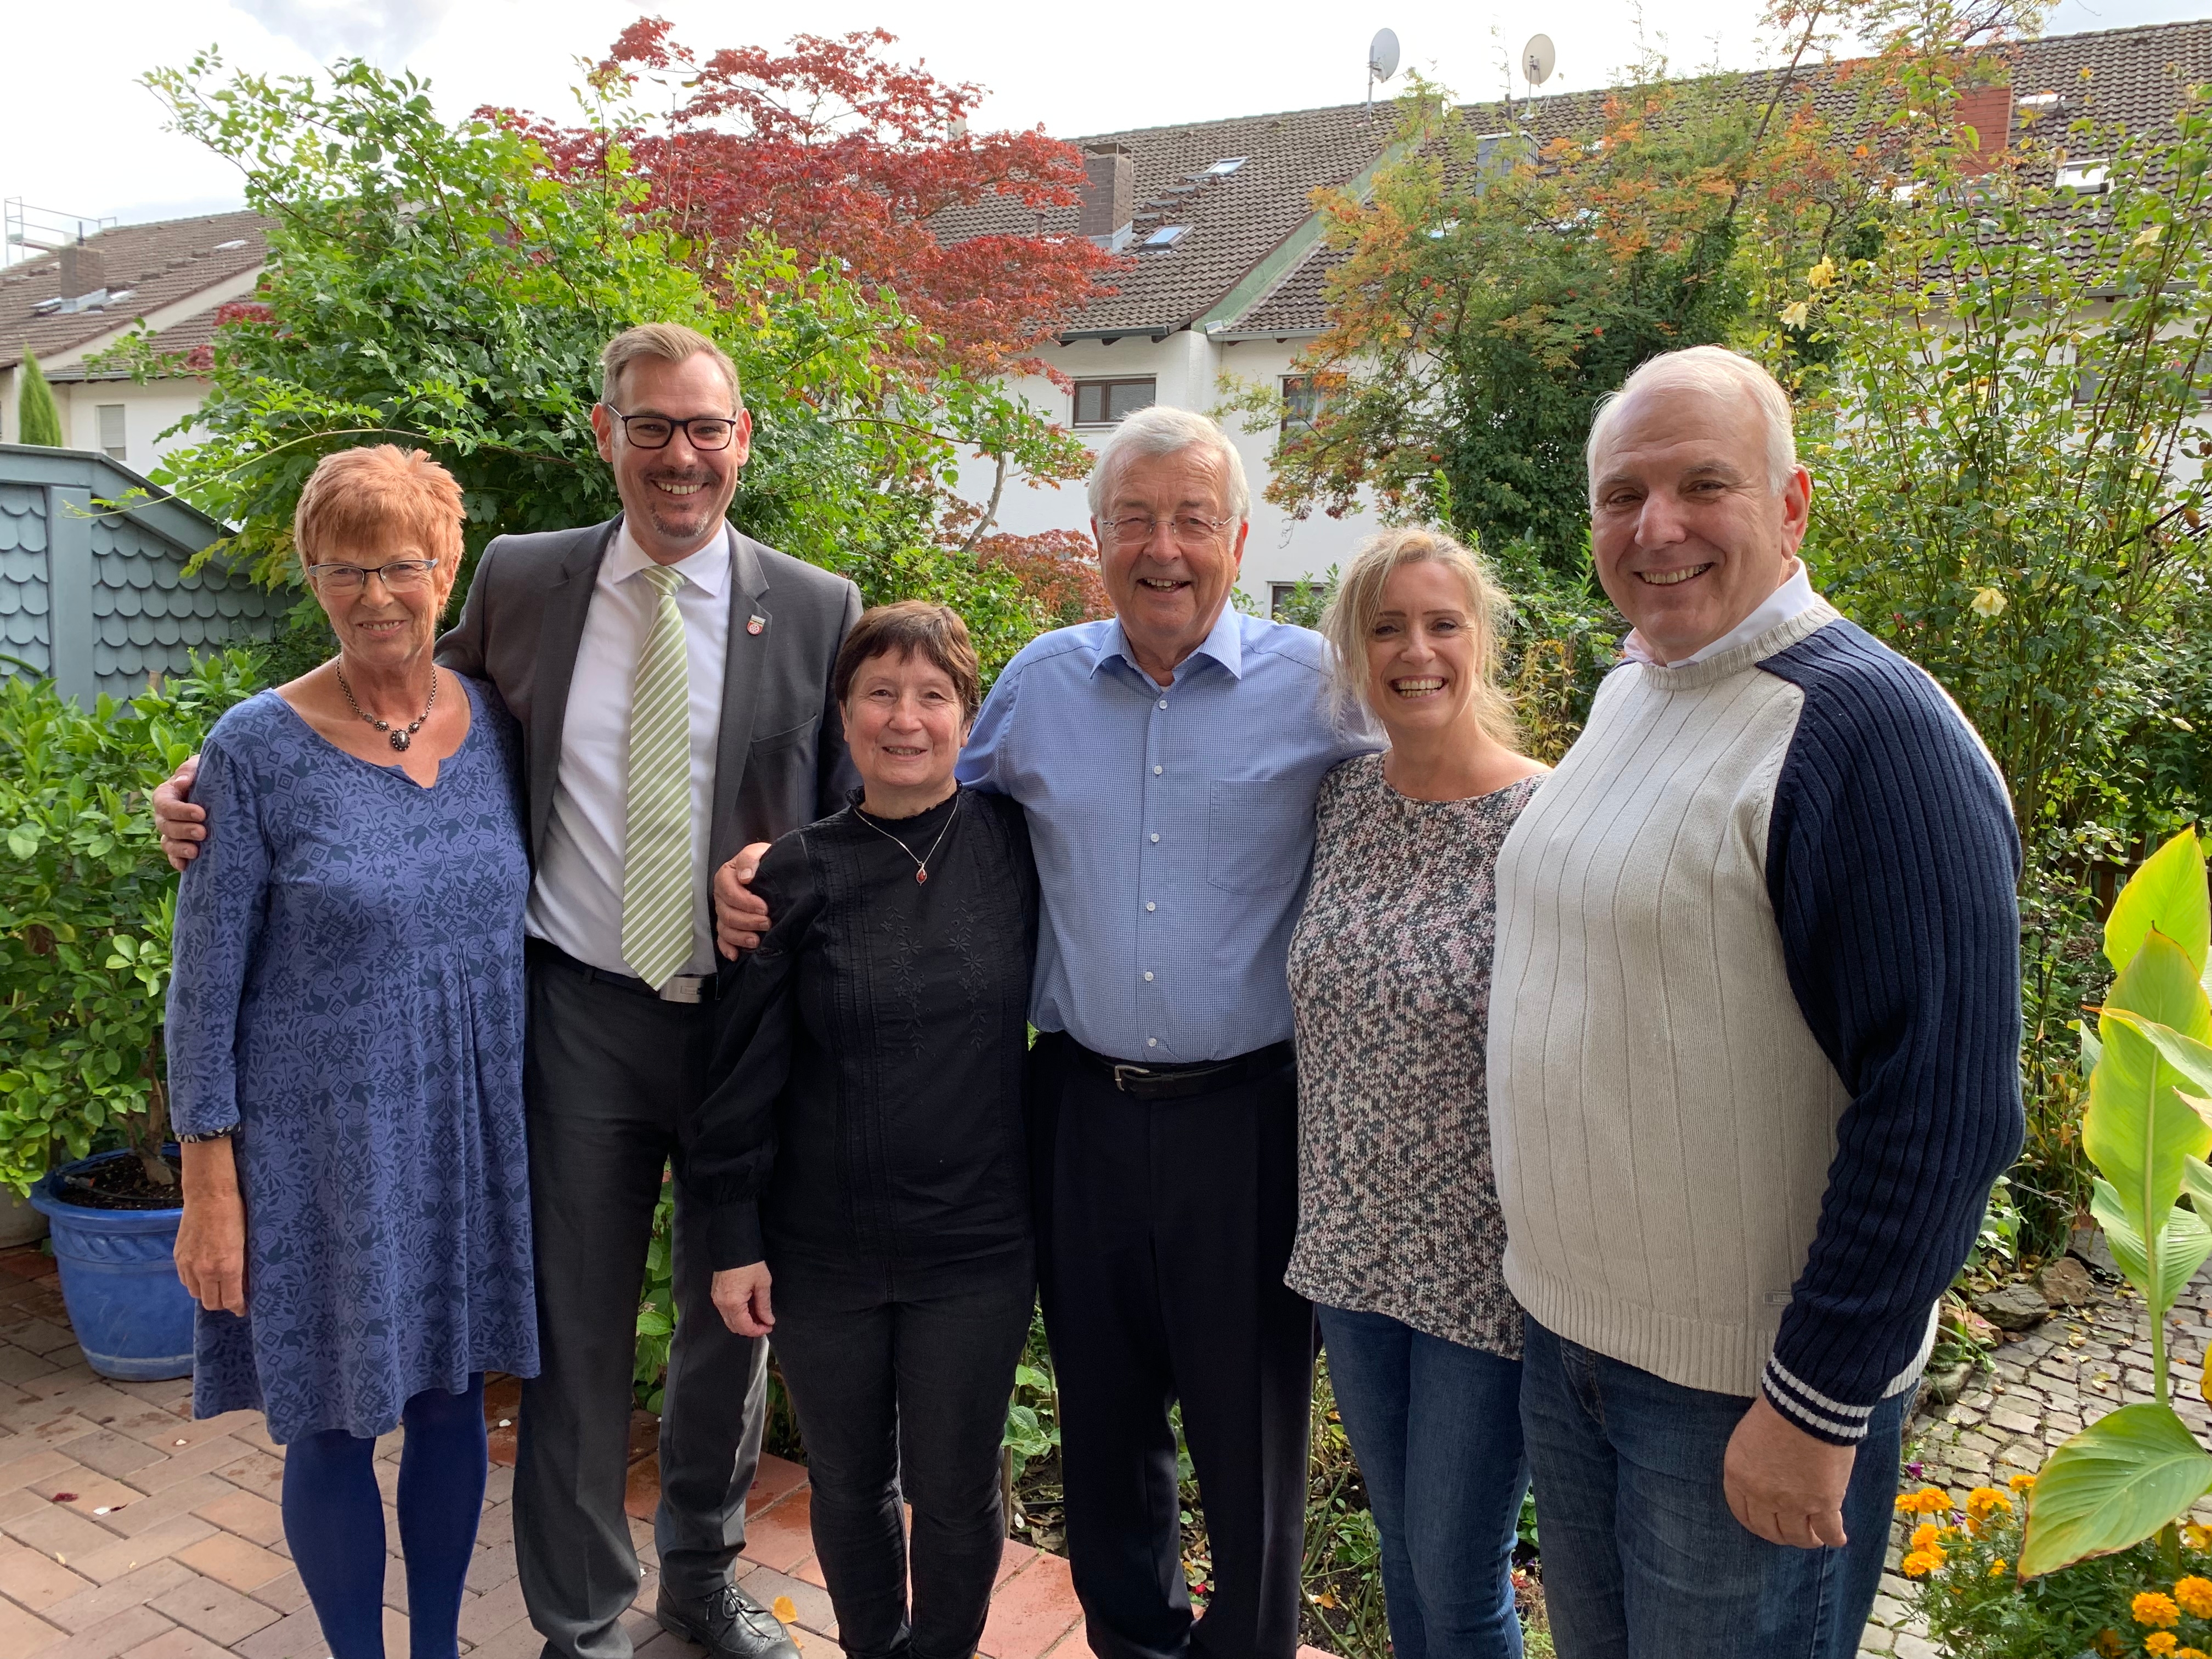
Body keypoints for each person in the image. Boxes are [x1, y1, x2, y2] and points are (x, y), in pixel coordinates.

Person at [155, 323, 861, 1659]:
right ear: (606, 436)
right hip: (579, 1016)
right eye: (649, 426)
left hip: (741, 1034)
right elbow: (377, 703)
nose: (679, 455)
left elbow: (854, 816)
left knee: (730, 1330)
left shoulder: (816, 609)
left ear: (743, 440)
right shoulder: (527, 582)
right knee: (573, 1338)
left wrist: (790, 873)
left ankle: (701, 1579)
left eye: (705, 428)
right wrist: (199, 803)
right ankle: (583, 1622)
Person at [718, 405, 1374, 1659]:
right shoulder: (1041, 684)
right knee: (1108, 1427)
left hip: (1248, 1120)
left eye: (1192, 519)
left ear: (1240, 537)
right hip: (1075, 1117)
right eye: (1136, 519)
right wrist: (769, 867)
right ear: (1097, 540)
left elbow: (1446, 765)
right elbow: (910, 790)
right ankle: (1132, 1644)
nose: (1164, 548)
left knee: (1248, 1438)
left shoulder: (1317, 687)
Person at [1487, 345, 2023, 1658]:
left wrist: (1818, 1403)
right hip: (1577, 1348)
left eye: (1701, 485)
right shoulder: (1637, 691)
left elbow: (1942, 1110)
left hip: (1737, 1394)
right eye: (1623, 495)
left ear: (1789, 509)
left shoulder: (1869, 733)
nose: (1655, 527)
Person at [166, 445, 538, 1659]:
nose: (376, 596)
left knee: (446, 1409)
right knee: (328, 1421)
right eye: (344, 571)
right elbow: (203, 980)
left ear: (449, 567)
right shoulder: (253, 748)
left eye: (402, 567)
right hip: (316, 1147)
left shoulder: (498, 720)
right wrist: (207, 1181)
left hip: (463, 1130)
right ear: (312, 579)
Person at [682, 601, 1039, 1659]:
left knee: (959, 1489)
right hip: (821, 1246)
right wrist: (733, 1235)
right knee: (846, 1482)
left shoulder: (1020, 849)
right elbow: (735, 1075)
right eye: (879, 693)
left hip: (975, 1244)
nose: (905, 718)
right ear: (844, 717)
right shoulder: (789, 875)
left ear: (967, 717)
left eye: (933, 695)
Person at [1285, 528, 1545, 1659]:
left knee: (1458, 1564)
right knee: (1399, 1543)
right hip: (1351, 1238)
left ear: (1481, 641)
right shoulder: (1341, 799)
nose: (1416, 650)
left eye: (1442, 624)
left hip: (1483, 1261)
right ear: (1354, 650)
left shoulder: (1547, 822)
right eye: (1387, 627)